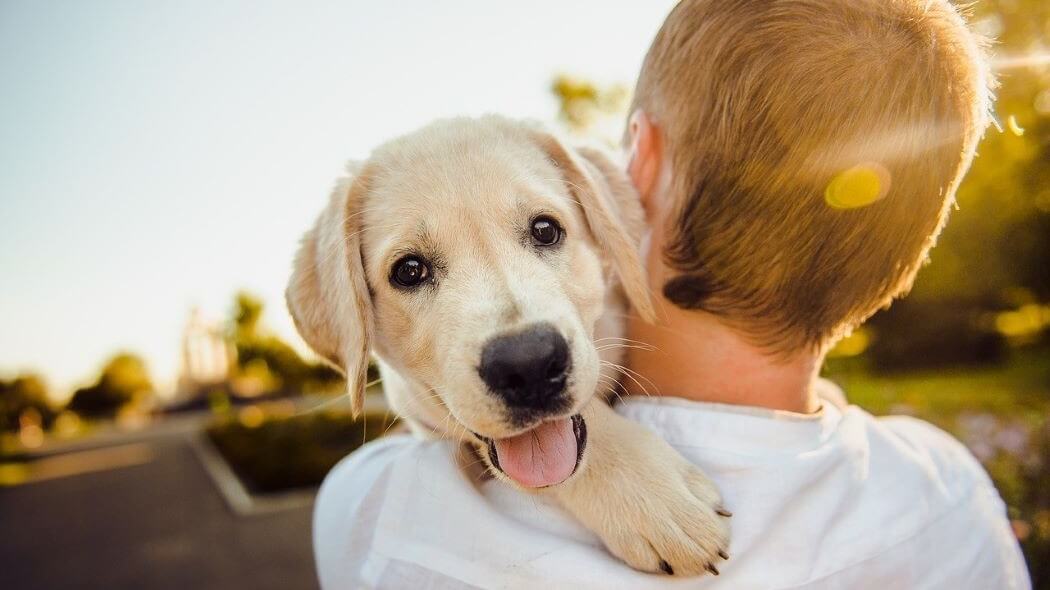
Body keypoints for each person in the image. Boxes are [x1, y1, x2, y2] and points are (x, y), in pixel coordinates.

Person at [313, 0, 1031, 587]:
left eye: (542, 230)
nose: (520, 335)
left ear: (637, 169)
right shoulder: (952, 498)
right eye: (412, 272)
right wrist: (594, 460)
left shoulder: (381, 518)